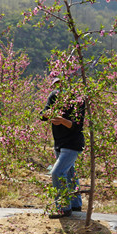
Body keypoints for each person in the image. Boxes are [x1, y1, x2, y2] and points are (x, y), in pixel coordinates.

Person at [42, 76, 85, 218]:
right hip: (59, 142)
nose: (60, 88)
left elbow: (77, 126)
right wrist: (47, 115)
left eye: (62, 85)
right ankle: (75, 204)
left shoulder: (78, 99)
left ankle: (63, 207)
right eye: (57, 85)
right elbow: (43, 114)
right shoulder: (54, 96)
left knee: (57, 173)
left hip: (72, 143)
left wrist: (62, 121)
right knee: (69, 173)